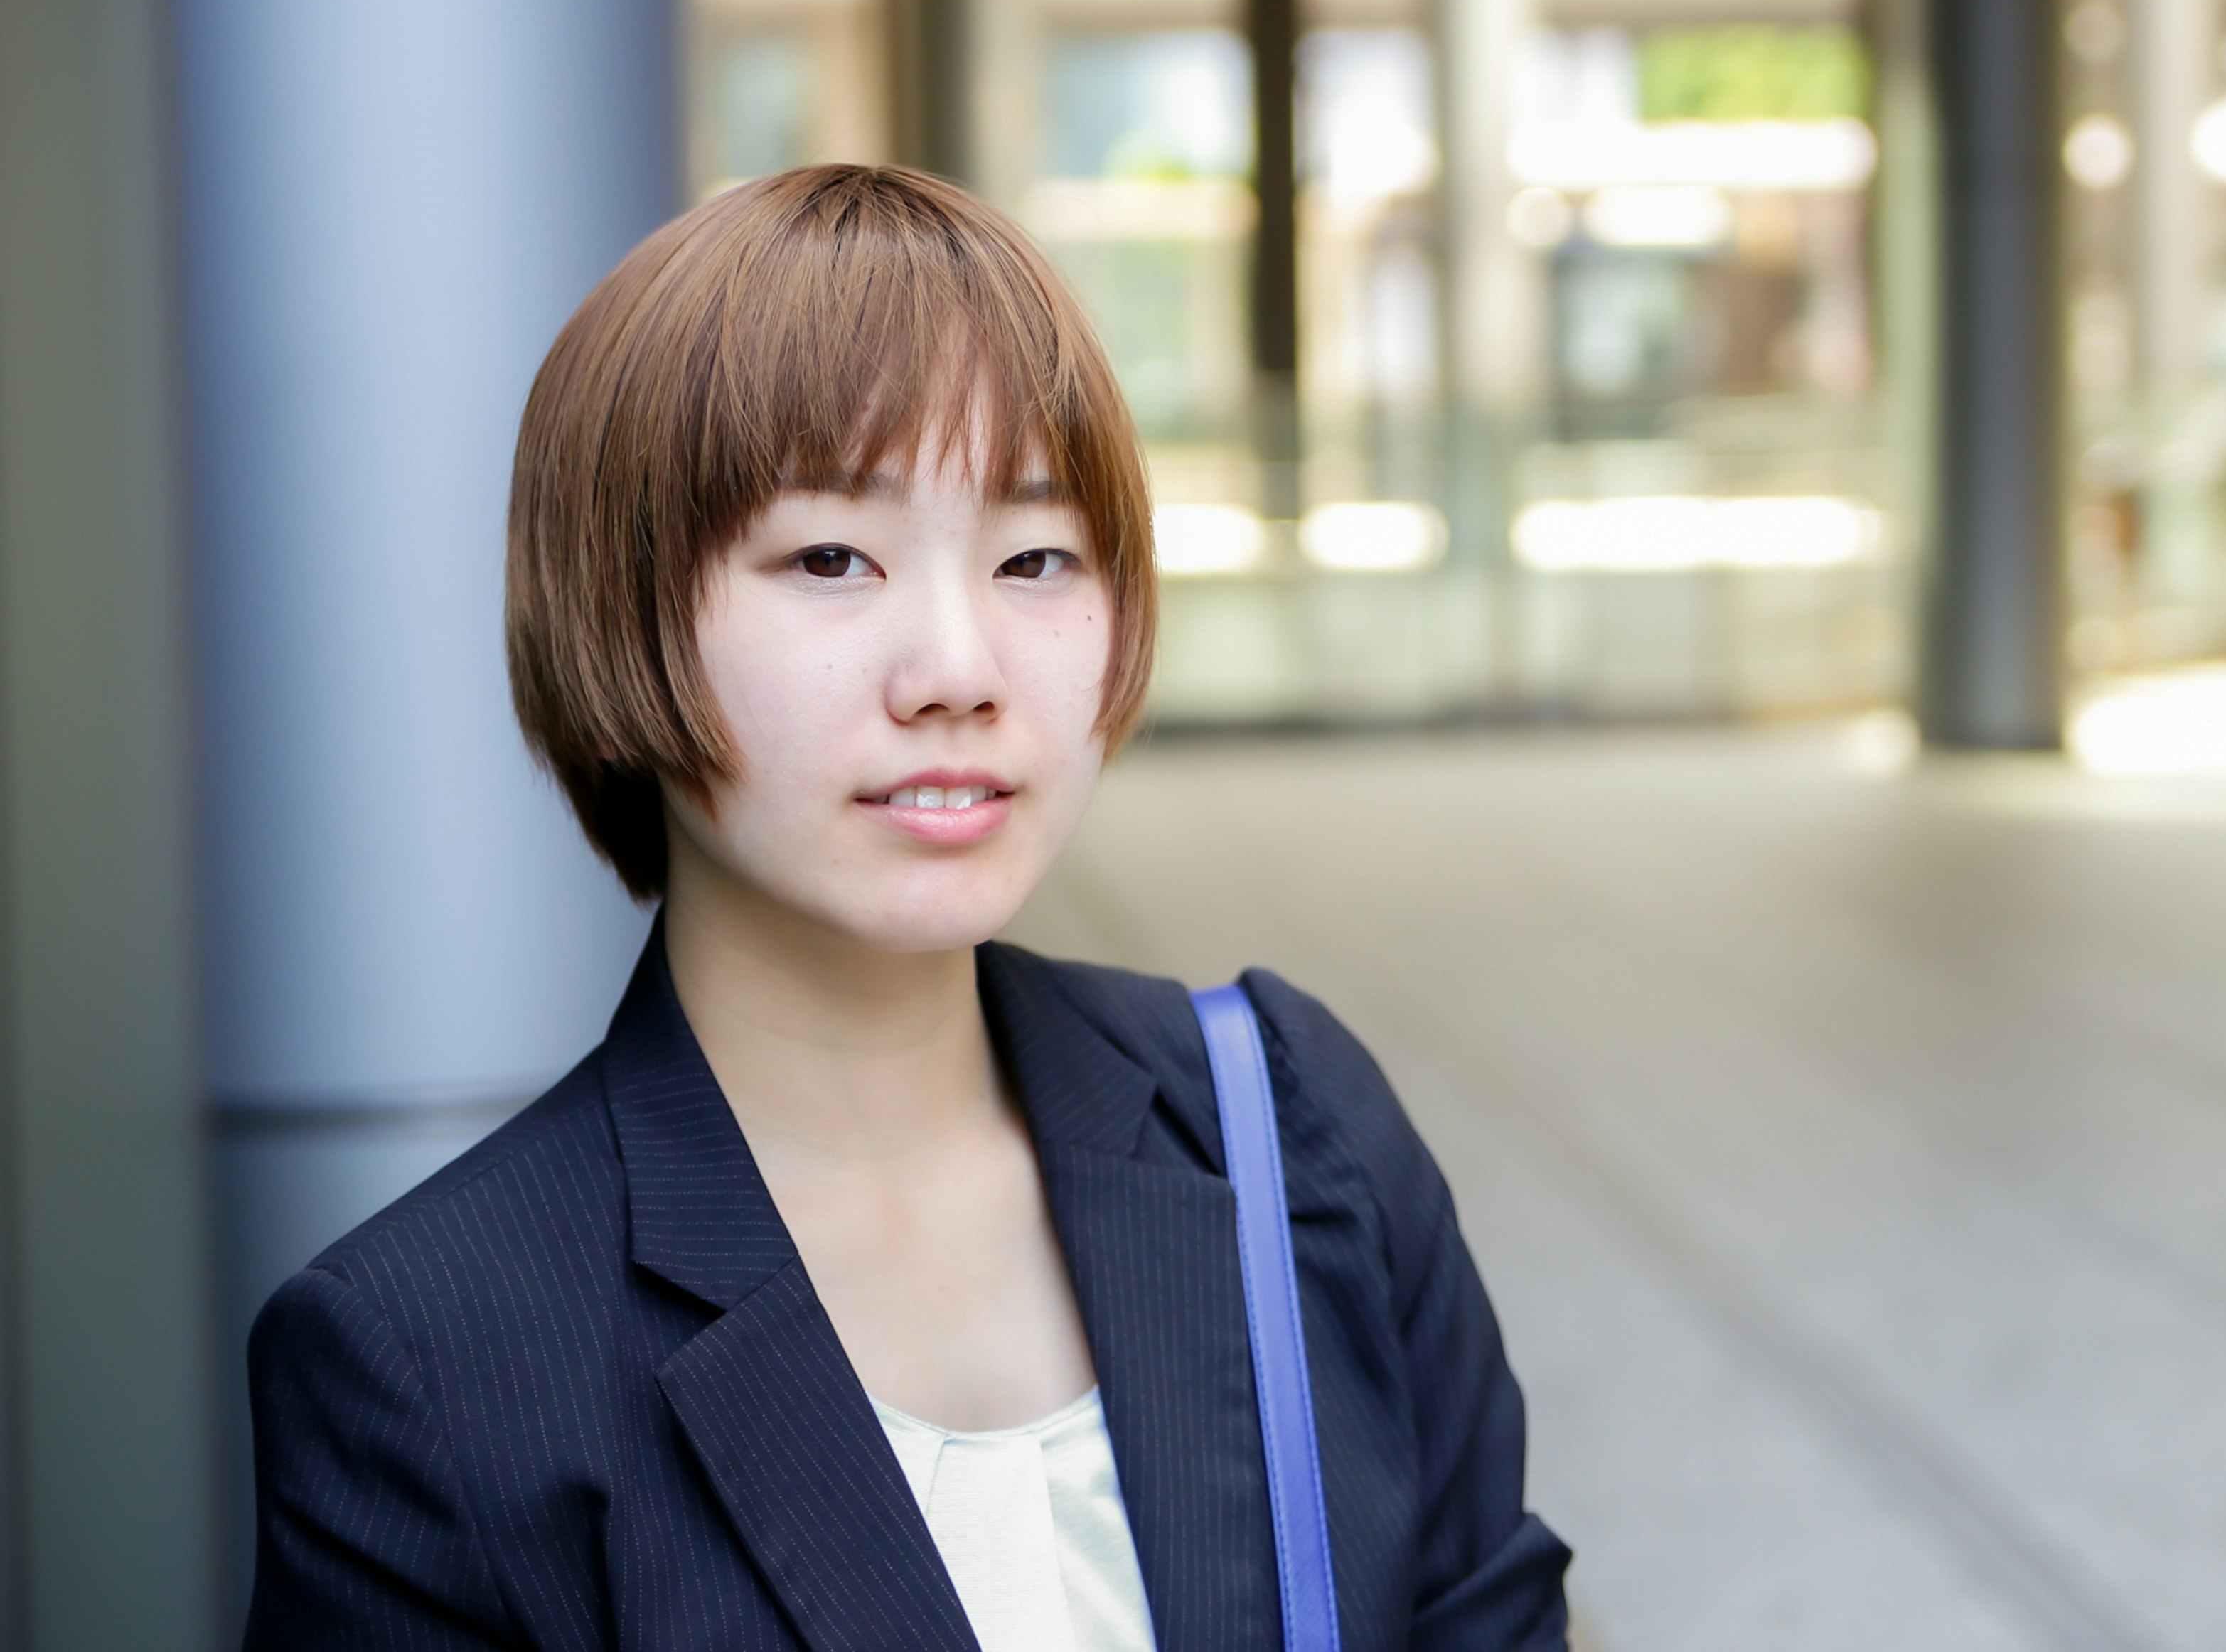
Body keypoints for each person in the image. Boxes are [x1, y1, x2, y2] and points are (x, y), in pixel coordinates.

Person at [242, 164, 1570, 1651]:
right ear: (614, 608)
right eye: (830, 556)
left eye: (1035, 556)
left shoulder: (1282, 1121)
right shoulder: (429, 1356)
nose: (958, 664)